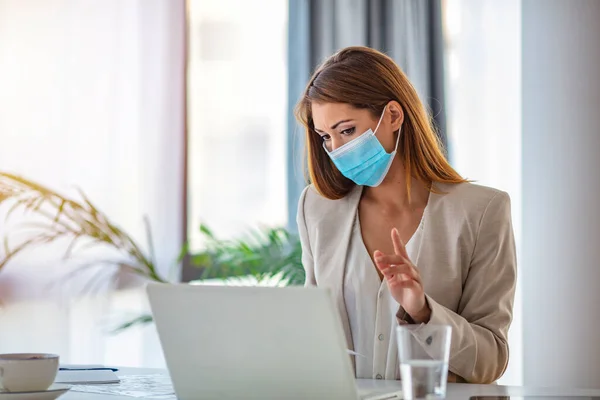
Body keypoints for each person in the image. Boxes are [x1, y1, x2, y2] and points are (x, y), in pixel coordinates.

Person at [294, 46, 516, 384]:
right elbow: (312, 336)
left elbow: (490, 360)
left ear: (394, 116)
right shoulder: (317, 208)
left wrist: (424, 312)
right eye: (326, 136)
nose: (337, 150)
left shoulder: (482, 211)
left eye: (348, 130)